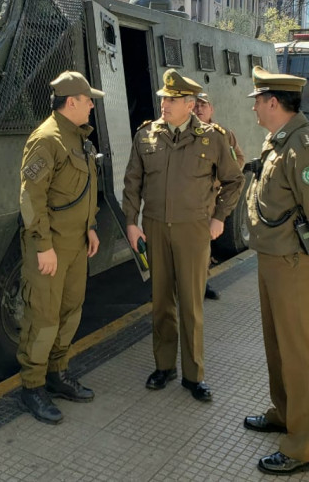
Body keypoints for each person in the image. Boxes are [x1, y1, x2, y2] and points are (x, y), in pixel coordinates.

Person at [242, 66, 309, 476]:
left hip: (293, 265)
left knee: (300, 355)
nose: (254, 106)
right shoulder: (279, 143)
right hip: (274, 259)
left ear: (272, 102)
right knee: (278, 345)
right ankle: (285, 414)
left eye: (257, 100)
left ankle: (303, 448)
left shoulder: (303, 147)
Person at [122, 69, 245, 402]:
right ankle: (164, 367)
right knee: (161, 301)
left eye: (172, 99)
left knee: (191, 305)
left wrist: (220, 217)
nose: (164, 103)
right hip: (156, 227)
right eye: (163, 98)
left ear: (190, 104)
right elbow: (132, 182)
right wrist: (131, 222)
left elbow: (235, 180)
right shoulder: (146, 135)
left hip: (194, 229)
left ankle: (193, 375)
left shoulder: (213, 137)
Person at [16, 70, 103, 425]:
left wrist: (91, 227)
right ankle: (33, 386)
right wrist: (43, 247)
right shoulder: (47, 139)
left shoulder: (78, 137)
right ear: (71, 102)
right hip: (50, 248)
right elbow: (30, 196)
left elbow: (84, 190)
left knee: (70, 311)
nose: (91, 107)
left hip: (77, 243)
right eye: (88, 101)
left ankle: (57, 372)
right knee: (44, 317)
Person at [194, 92, 246, 300]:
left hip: (211, 198)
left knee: (205, 243)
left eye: (203, 105)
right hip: (189, 198)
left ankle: (202, 284)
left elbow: (238, 160)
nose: (199, 109)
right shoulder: (185, 133)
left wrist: (219, 179)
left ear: (211, 109)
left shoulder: (223, 134)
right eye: (196, 105)